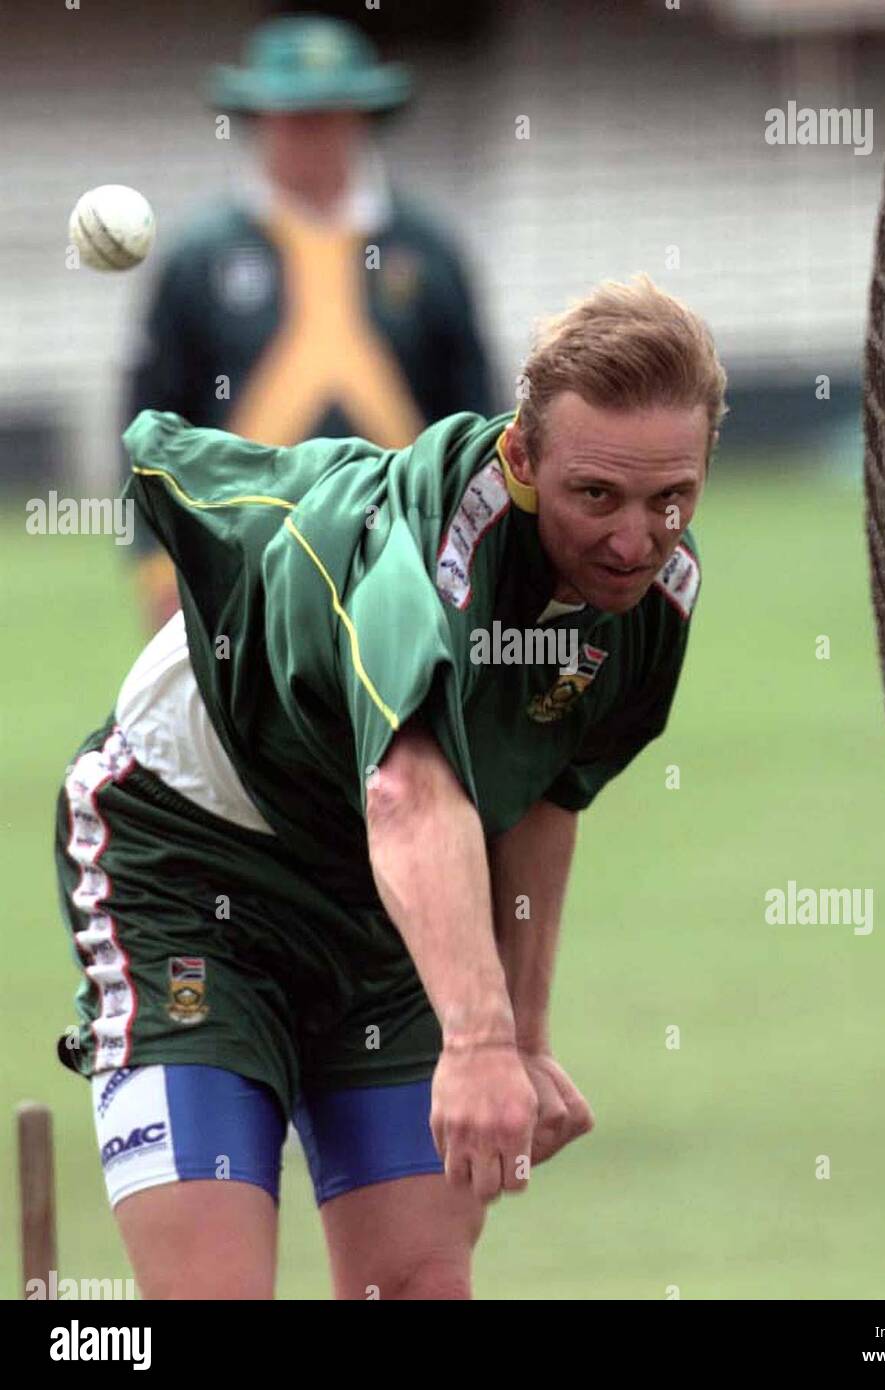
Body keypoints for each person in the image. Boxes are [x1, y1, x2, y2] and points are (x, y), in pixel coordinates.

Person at [56, 276, 726, 1300]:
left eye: (670, 498)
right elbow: (409, 794)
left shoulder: (652, 604)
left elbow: (546, 792)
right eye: (598, 495)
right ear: (524, 459)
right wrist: (479, 1037)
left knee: (414, 1284)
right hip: (191, 862)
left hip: (392, 896)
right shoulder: (422, 557)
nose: (636, 539)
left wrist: (528, 1038)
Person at [126, 13, 494, 630]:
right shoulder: (199, 256)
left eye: (329, 113)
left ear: (362, 117)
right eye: (294, 115)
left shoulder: (427, 249)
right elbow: (156, 417)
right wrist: (159, 565)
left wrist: (476, 542)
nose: (312, 133)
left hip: (402, 546)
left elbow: (470, 407)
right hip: (240, 547)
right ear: (259, 120)